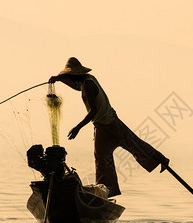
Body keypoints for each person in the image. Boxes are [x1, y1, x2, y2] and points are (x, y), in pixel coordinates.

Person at [49, 57, 169, 197]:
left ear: (73, 75)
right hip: (112, 121)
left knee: (102, 159)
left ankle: (105, 191)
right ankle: (160, 159)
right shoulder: (88, 80)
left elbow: (92, 111)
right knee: (134, 144)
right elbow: (77, 87)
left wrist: (77, 128)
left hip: (104, 126)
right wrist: (60, 79)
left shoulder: (87, 85)